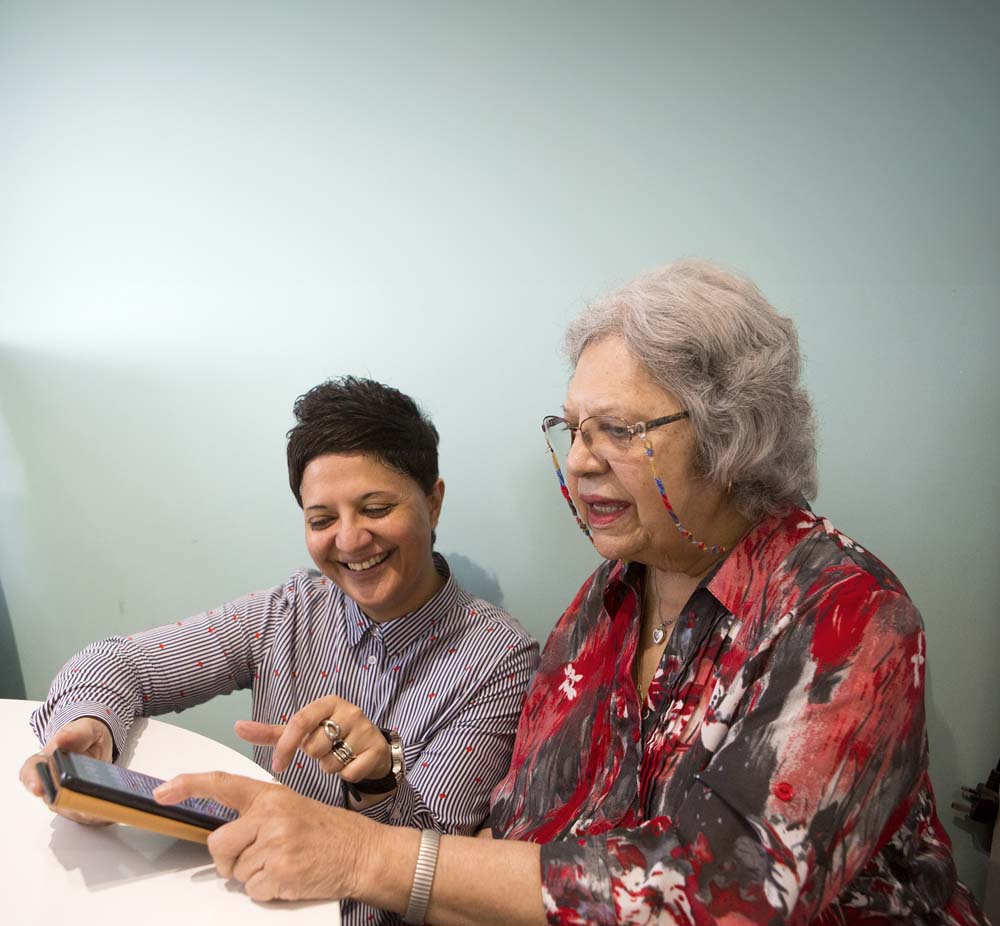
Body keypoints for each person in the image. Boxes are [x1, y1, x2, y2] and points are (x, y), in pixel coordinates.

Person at [155, 260, 986, 925]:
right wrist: (374, 811)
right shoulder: (607, 602)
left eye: (619, 430)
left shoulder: (846, 614)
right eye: (572, 429)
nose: (581, 459)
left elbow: (725, 899)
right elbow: (517, 831)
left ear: (730, 433)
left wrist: (364, 855)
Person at [19, 376, 539, 926]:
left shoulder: (498, 658)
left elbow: (436, 879)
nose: (350, 539)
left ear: (432, 503)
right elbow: (118, 663)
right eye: (321, 520)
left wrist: (376, 778)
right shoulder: (289, 610)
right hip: (243, 899)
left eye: (376, 507)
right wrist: (91, 728)